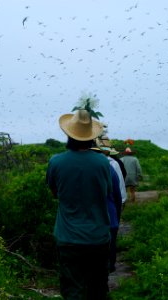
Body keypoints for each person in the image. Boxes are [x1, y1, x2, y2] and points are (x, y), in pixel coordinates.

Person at [46, 109, 112, 299]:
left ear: (69, 134)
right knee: (98, 288)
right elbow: (106, 193)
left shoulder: (56, 162)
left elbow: (54, 193)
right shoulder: (102, 162)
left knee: (72, 289)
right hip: (98, 237)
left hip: (68, 238)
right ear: (91, 136)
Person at [91, 147, 122, 273]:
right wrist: (117, 214)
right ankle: (110, 265)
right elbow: (117, 196)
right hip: (109, 215)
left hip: (93, 219)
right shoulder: (109, 168)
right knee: (110, 243)